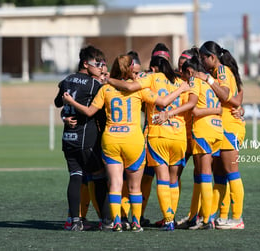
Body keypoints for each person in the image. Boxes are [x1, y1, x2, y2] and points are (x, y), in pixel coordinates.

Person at [63, 54, 189, 232]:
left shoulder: (105, 89)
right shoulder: (138, 89)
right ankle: (136, 222)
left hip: (111, 139)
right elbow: (163, 102)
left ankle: (116, 222)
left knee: (115, 183)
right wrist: (181, 89)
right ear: (130, 70)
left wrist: (70, 102)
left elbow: (89, 111)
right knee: (134, 186)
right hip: (133, 140)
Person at [107, 55, 189, 231]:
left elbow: (130, 86)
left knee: (161, 179)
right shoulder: (180, 81)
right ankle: (172, 217)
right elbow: (190, 104)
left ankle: (166, 219)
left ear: (152, 69)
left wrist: (109, 79)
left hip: (158, 135)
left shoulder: (150, 78)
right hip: (179, 135)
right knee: (174, 180)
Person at [154, 51, 223, 230]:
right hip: (217, 130)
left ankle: (207, 220)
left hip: (203, 130)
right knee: (203, 175)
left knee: (204, 175)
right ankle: (201, 217)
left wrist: (169, 113)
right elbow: (222, 105)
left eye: (184, 74)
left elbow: (192, 105)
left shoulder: (194, 80)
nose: (184, 79)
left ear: (190, 71)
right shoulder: (210, 82)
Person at [54, 45, 107, 231]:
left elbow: (58, 102)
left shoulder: (67, 80)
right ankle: (107, 220)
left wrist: (63, 117)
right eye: (97, 63)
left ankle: (75, 221)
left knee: (75, 177)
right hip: (86, 138)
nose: (100, 67)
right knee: (100, 176)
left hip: (68, 139)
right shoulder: (93, 84)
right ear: (85, 63)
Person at [196, 41, 246, 230]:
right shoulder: (218, 73)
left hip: (229, 127)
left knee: (231, 171)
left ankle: (237, 218)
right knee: (220, 174)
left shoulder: (222, 71)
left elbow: (225, 94)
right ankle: (221, 216)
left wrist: (207, 80)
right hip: (221, 127)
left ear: (212, 57)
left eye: (203, 57)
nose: (202, 61)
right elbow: (235, 97)